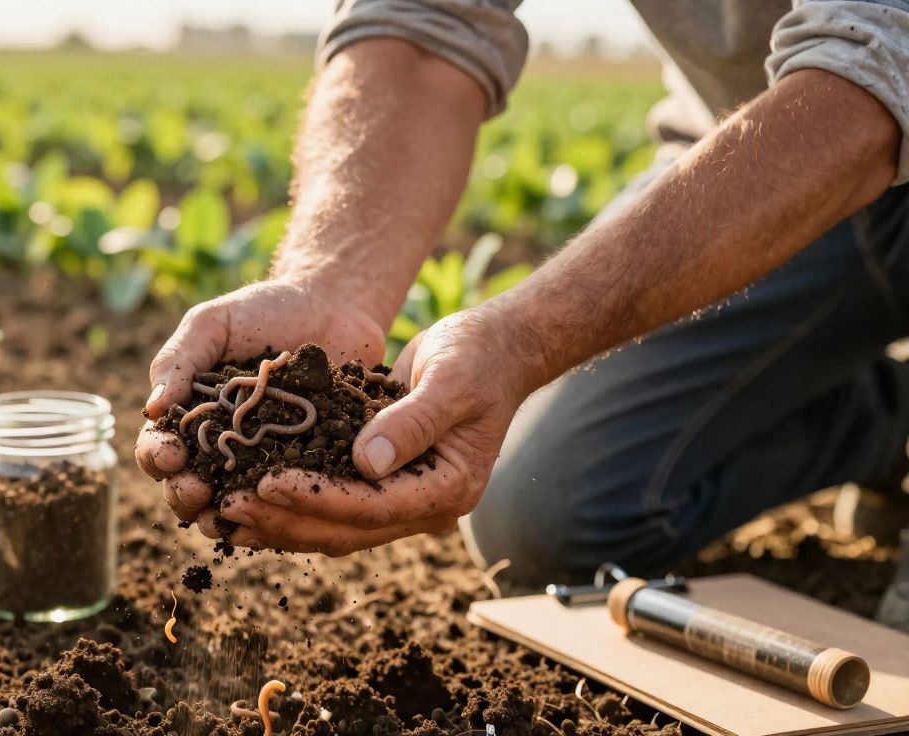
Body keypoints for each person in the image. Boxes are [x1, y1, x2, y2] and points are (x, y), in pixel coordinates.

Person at [134, 0, 909, 584]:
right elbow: (423, 24)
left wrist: (526, 336)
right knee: (544, 515)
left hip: (855, 124)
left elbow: (872, 74)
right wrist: (329, 281)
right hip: (749, 163)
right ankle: (888, 420)